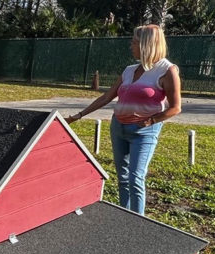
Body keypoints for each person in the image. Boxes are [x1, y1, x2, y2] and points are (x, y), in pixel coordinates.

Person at [66, 25, 181, 216]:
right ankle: (124, 218)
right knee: (123, 178)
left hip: (143, 133)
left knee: (136, 179)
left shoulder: (167, 70)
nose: (131, 46)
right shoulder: (129, 70)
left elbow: (175, 108)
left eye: (134, 42)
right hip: (118, 128)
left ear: (147, 45)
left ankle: (138, 224)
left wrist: (151, 121)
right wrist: (78, 115)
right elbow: (106, 97)